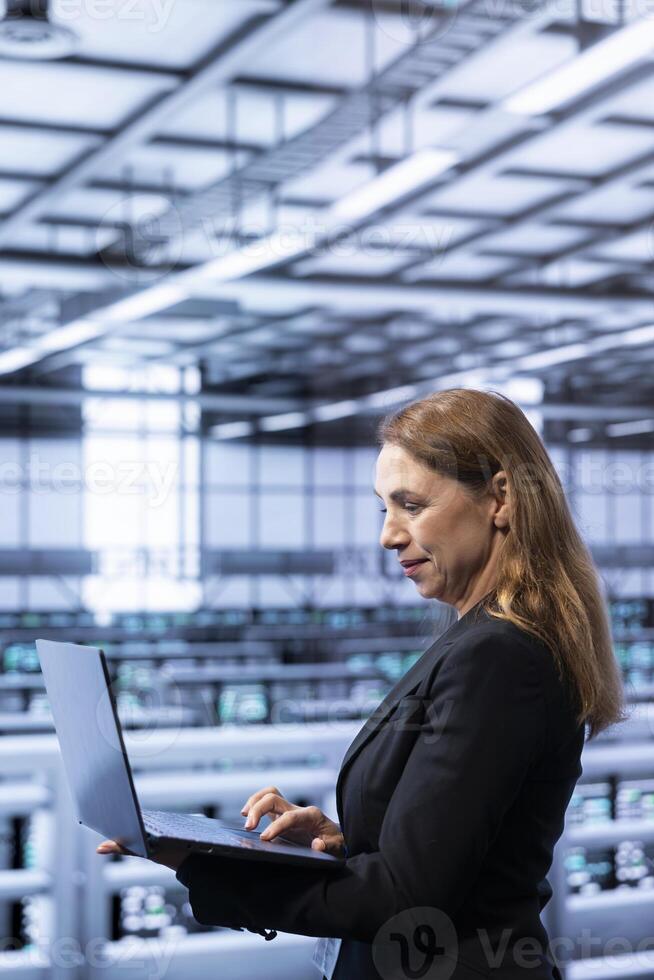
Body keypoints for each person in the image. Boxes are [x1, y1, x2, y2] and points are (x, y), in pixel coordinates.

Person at [98, 387, 628, 979]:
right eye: (385, 508)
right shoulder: (486, 642)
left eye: (412, 505)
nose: (389, 535)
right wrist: (339, 844)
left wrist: (209, 866)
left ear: (500, 499)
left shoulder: (500, 656)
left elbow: (407, 900)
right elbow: (447, 857)